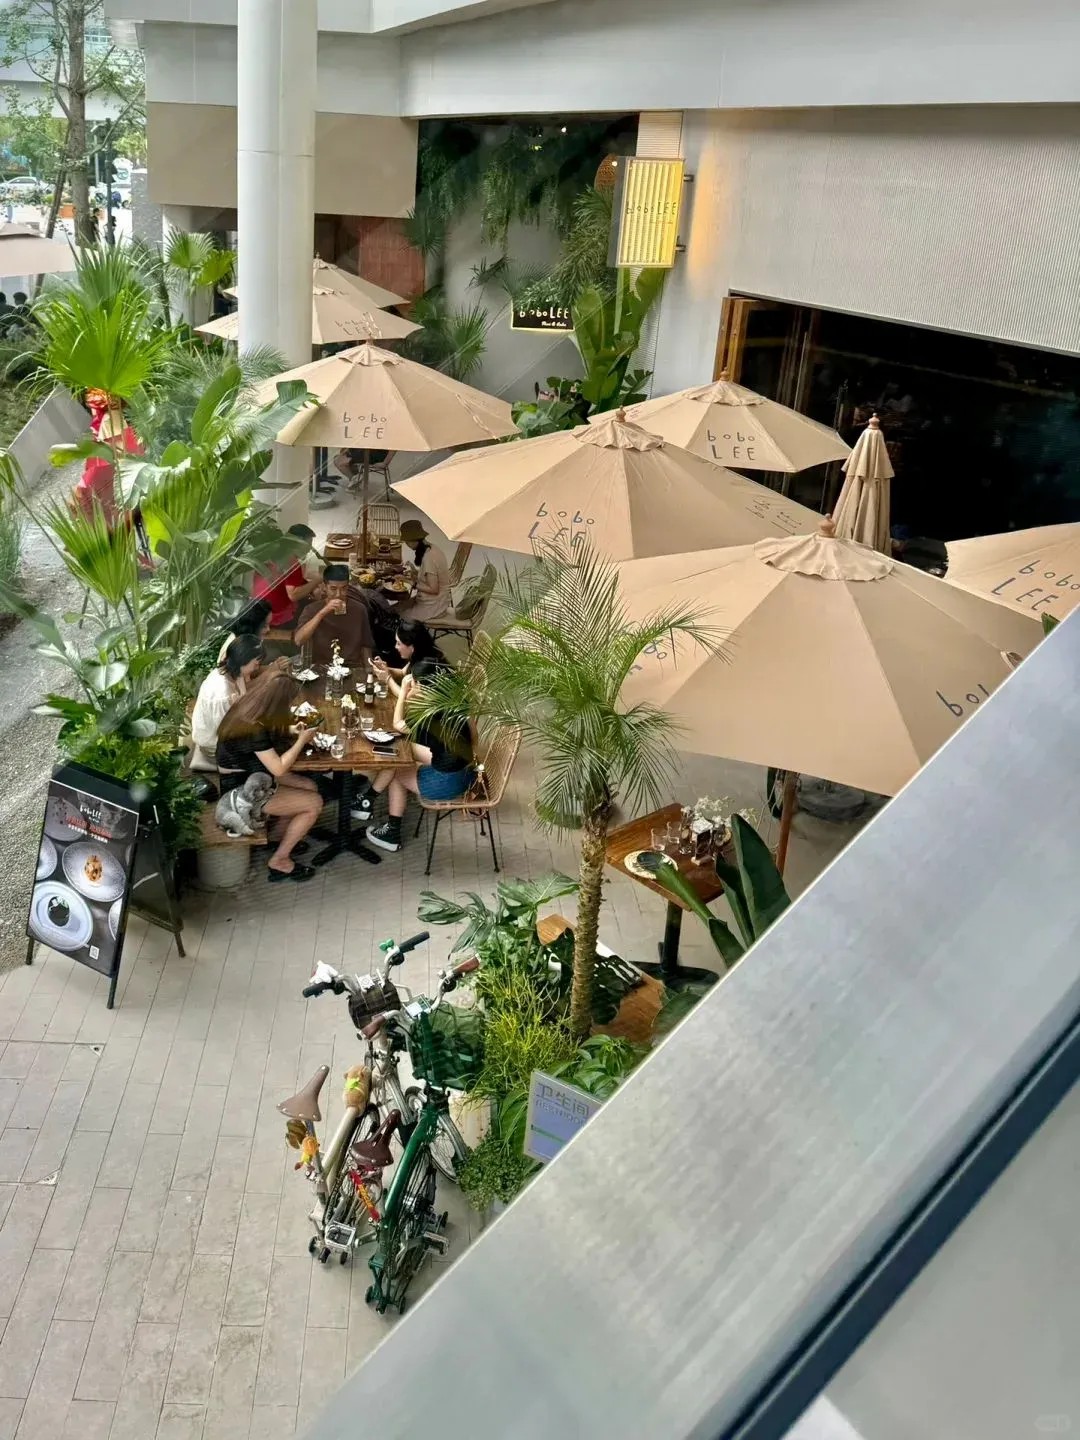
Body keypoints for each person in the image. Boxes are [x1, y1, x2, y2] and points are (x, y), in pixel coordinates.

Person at [359, 658, 476, 852]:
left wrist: (404, 692)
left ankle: (390, 831)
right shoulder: (456, 700)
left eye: (413, 681)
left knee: (398, 768)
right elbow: (474, 740)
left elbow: (398, 725)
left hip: (446, 783)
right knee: (403, 750)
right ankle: (367, 800)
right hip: (467, 772)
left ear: (422, 685)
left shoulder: (431, 716)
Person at [216, 673, 323, 883]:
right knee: (314, 803)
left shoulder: (250, 707)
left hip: (254, 774)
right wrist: (301, 740)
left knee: (309, 786)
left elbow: (265, 743)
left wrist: (292, 729)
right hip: (241, 790)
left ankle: (277, 838)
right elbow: (279, 769)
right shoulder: (254, 727)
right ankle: (279, 860)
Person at [189, 634, 267, 773]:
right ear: (242, 660)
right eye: (255, 664)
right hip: (214, 745)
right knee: (267, 754)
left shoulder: (231, 672)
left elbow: (243, 701)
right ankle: (214, 765)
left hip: (223, 732)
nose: (257, 668)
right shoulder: (222, 693)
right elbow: (227, 736)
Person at [294, 563, 374, 669]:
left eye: (343, 588)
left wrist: (369, 671)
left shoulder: (359, 609)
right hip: (322, 666)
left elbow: (366, 645)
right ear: (324, 587)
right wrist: (322, 613)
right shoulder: (311, 609)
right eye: (333, 589)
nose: (338, 594)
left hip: (351, 666)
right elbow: (299, 640)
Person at [252, 524, 322, 630]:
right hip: (277, 619)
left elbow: (288, 580)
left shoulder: (273, 552)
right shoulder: (292, 562)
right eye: (309, 544)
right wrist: (318, 580)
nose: (309, 549)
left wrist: (311, 587)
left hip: (258, 613)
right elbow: (293, 595)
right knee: (317, 612)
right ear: (299, 542)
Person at [397, 519, 451, 623]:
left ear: (413, 540)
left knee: (398, 616)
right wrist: (414, 572)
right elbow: (430, 577)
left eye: (407, 542)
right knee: (396, 608)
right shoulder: (432, 548)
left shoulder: (429, 557)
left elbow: (434, 589)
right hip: (437, 601)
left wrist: (410, 582)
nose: (407, 544)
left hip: (434, 606)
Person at [216, 598, 272, 664]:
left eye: (269, 624)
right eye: (264, 626)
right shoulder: (237, 650)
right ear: (254, 625)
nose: (268, 629)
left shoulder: (251, 638)